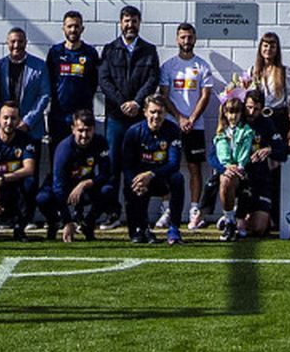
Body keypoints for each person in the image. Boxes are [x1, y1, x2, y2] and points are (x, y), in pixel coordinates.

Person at [160, 22, 215, 231]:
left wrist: (191, 118)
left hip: (196, 125)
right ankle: (167, 209)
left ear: (195, 38)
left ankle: (194, 210)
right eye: (182, 37)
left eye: (190, 37)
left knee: (194, 167)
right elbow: (164, 96)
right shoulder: (168, 66)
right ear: (177, 39)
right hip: (172, 125)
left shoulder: (202, 66)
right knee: (167, 167)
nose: (186, 41)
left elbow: (206, 95)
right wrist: (180, 118)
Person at [100, 5, 161, 171]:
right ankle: (111, 197)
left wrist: (136, 102)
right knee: (112, 162)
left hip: (139, 117)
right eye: (127, 21)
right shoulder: (110, 49)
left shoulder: (149, 51)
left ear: (139, 23)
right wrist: (122, 103)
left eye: (134, 21)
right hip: (115, 117)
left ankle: (133, 198)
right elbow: (104, 81)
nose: (130, 25)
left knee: (137, 162)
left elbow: (152, 79)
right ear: (120, 23)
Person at [120, 95, 185, 244]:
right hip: (140, 180)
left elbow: (174, 163)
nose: (156, 116)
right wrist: (137, 182)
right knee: (131, 184)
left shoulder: (172, 130)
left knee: (177, 179)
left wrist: (151, 174)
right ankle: (140, 229)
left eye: (160, 112)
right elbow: (127, 165)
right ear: (145, 112)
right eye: (153, 112)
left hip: (160, 178)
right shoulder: (134, 132)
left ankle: (174, 228)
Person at [42, 109, 114, 242]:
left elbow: (106, 173)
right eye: (80, 130)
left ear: (93, 129)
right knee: (43, 198)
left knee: (107, 191)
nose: (84, 135)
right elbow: (58, 186)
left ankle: (88, 224)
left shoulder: (100, 143)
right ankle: (55, 222)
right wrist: (67, 220)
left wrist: (85, 184)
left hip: (85, 187)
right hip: (65, 188)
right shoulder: (64, 149)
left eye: (88, 130)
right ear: (73, 129)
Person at [0, 102, 41, 240]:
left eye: (13, 118)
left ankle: (20, 228)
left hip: (14, 190)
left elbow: (29, 169)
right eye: (5, 118)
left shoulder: (26, 141)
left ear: (18, 120)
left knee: (30, 182)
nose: (9, 122)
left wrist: (2, 178)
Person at [210, 94, 271, 240]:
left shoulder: (247, 131)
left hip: (245, 172)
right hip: (228, 172)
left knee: (258, 227)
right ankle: (229, 222)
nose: (233, 116)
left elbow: (246, 153)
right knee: (216, 183)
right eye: (230, 112)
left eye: (236, 112)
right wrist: (225, 167)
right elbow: (213, 156)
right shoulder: (221, 133)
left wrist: (240, 166)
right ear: (224, 113)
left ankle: (238, 219)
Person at [46, 10, 99, 148]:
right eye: (69, 26)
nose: (73, 30)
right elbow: (49, 80)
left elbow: (94, 82)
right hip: (59, 116)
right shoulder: (55, 52)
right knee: (58, 153)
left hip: (83, 116)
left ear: (82, 28)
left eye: (76, 26)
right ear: (63, 28)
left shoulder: (90, 53)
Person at [0, 26, 49, 144]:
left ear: (26, 43)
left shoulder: (40, 66)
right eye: (13, 41)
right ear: (7, 43)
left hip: (31, 129)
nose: (16, 45)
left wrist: (27, 121)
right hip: (5, 130)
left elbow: (44, 95)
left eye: (20, 41)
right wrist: (5, 118)